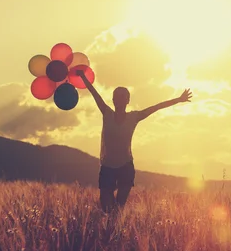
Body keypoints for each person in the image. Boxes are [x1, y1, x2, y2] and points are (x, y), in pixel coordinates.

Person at [76, 70, 192, 213]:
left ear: (128, 100)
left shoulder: (134, 117)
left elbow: (156, 107)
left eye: (124, 97)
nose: (120, 99)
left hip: (126, 166)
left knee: (119, 207)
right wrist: (82, 77)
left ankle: (116, 231)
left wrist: (178, 100)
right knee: (106, 206)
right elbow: (94, 94)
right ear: (113, 100)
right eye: (117, 97)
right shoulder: (107, 113)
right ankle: (111, 228)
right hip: (107, 166)